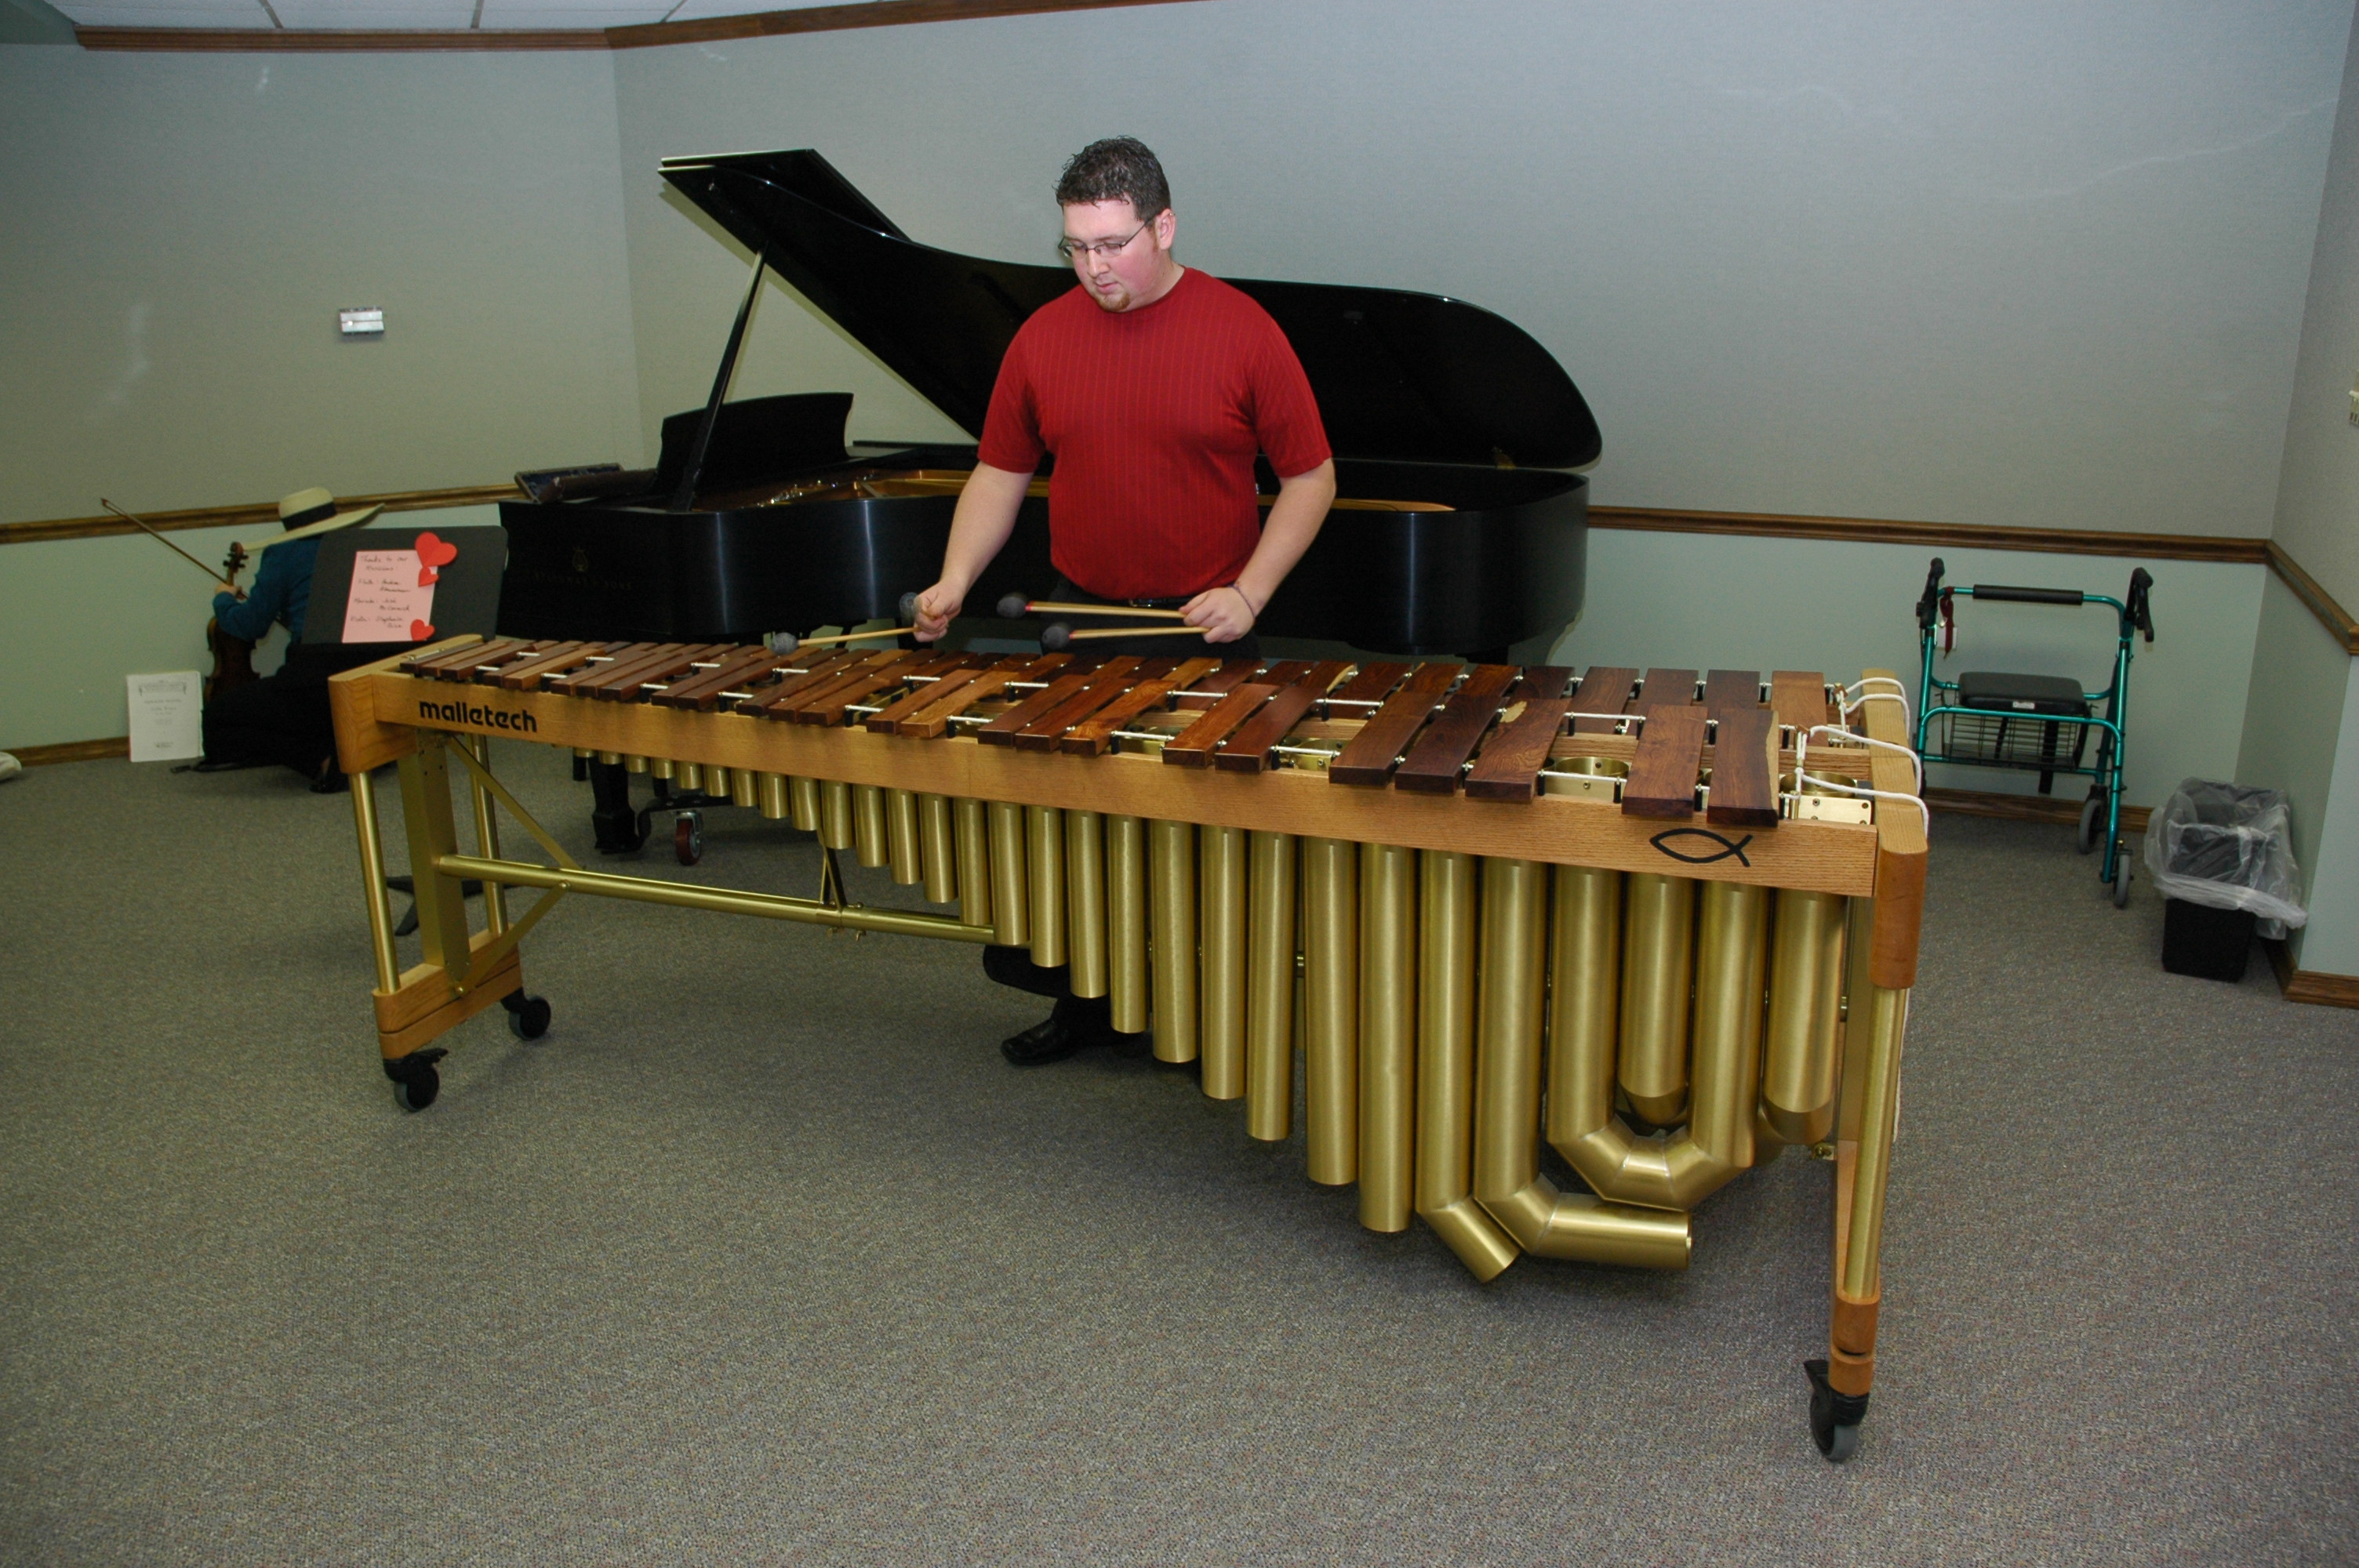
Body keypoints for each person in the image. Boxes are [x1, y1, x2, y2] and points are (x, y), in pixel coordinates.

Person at [911, 136, 1338, 1066]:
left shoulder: (1242, 329)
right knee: (1080, 831)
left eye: (1112, 244)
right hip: (1083, 621)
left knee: (1200, 845)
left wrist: (1249, 593)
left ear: (1163, 225)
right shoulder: (1042, 336)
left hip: (1203, 626)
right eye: (1075, 247)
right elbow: (999, 471)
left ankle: (1206, 1023)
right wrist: (954, 579)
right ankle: (1089, 1002)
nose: (1093, 267)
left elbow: (1311, 477)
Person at [197, 487, 384, 792]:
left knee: (220, 718)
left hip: (314, 674)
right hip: (372, 669)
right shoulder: (362, 544)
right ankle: (370, 749)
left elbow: (250, 625)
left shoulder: (283, 553)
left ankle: (323, 760)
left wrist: (223, 599)